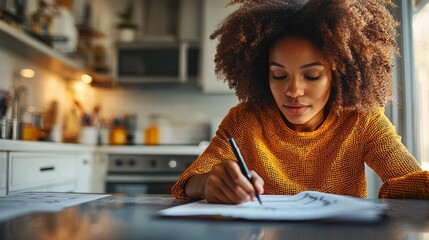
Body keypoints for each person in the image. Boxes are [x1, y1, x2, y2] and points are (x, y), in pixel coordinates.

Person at [172, 0, 429, 204]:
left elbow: (407, 180)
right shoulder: (245, 120)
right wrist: (207, 184)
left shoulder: (362, 120)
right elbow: (187, 182)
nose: (293, 90)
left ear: (338, 76)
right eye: (279, 75)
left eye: (312, 75)